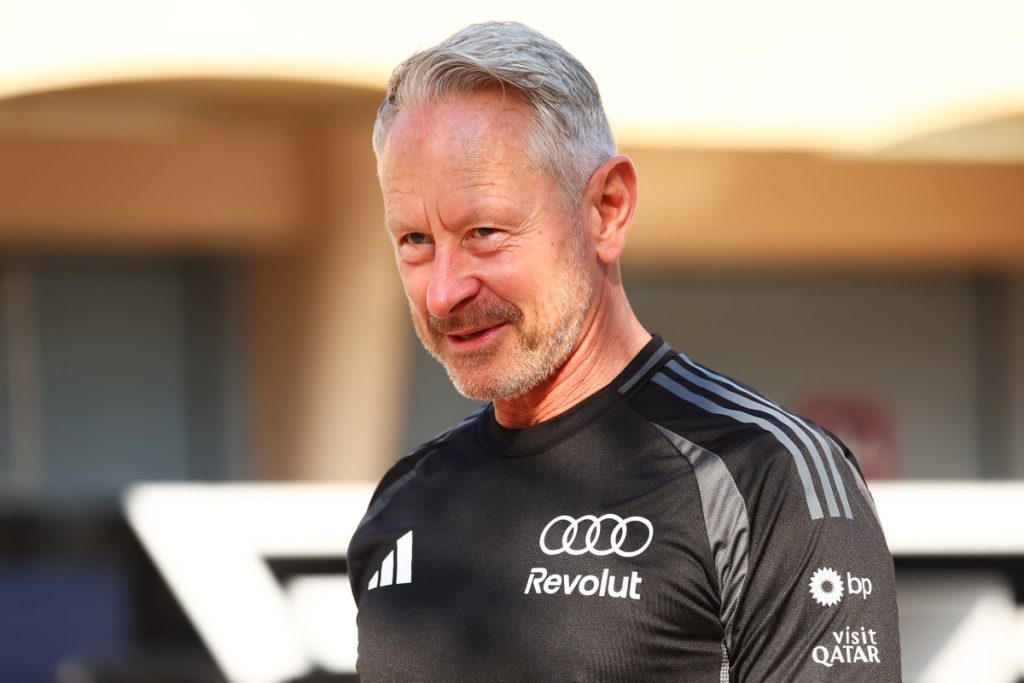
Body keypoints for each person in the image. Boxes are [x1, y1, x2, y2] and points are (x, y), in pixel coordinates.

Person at [347, 21, 901, 681]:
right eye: (414, 240)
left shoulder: (766, 475)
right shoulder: (404, 501)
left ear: (606, 209)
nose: (443, 292)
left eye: (485, 232)